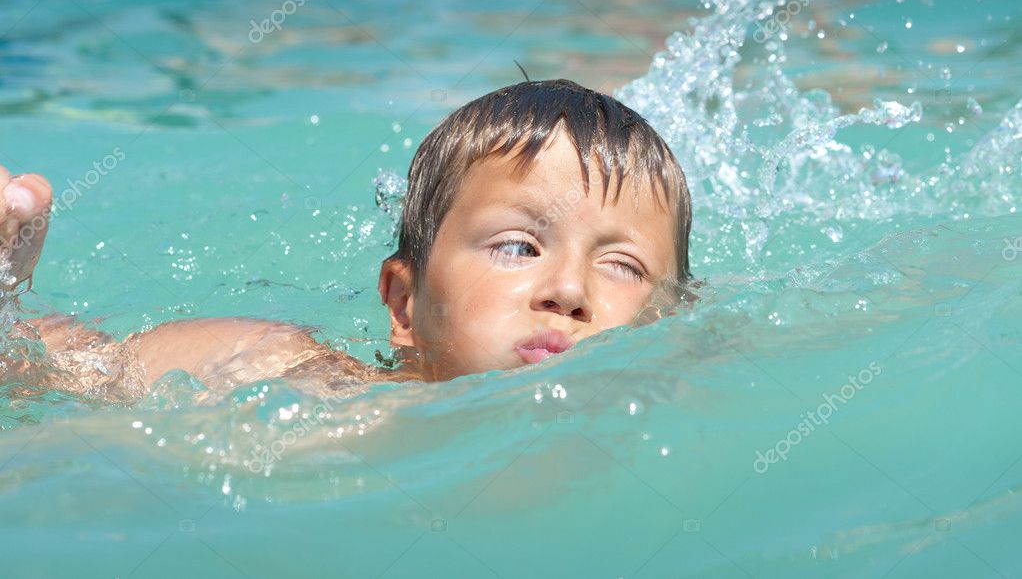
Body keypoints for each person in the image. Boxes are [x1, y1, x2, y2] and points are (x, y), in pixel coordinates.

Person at [0, 79, 692, 399]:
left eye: (624, 267)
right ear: (403, 304)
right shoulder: (314, 389)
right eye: (519, 246)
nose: (570, 292)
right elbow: (73, 371)